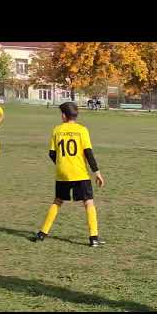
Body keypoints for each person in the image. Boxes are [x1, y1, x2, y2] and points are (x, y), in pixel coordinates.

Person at [35, 102, 106, 246]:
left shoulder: (57, 130)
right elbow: (88, 153)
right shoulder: (82, 130)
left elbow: (52, 153)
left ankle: (42, 233)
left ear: (63, 115)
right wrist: (97, 172)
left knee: (58, 201)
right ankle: (93, 238)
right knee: (88, 202)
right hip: (80, 173)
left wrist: (62, 164)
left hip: (62, 174)